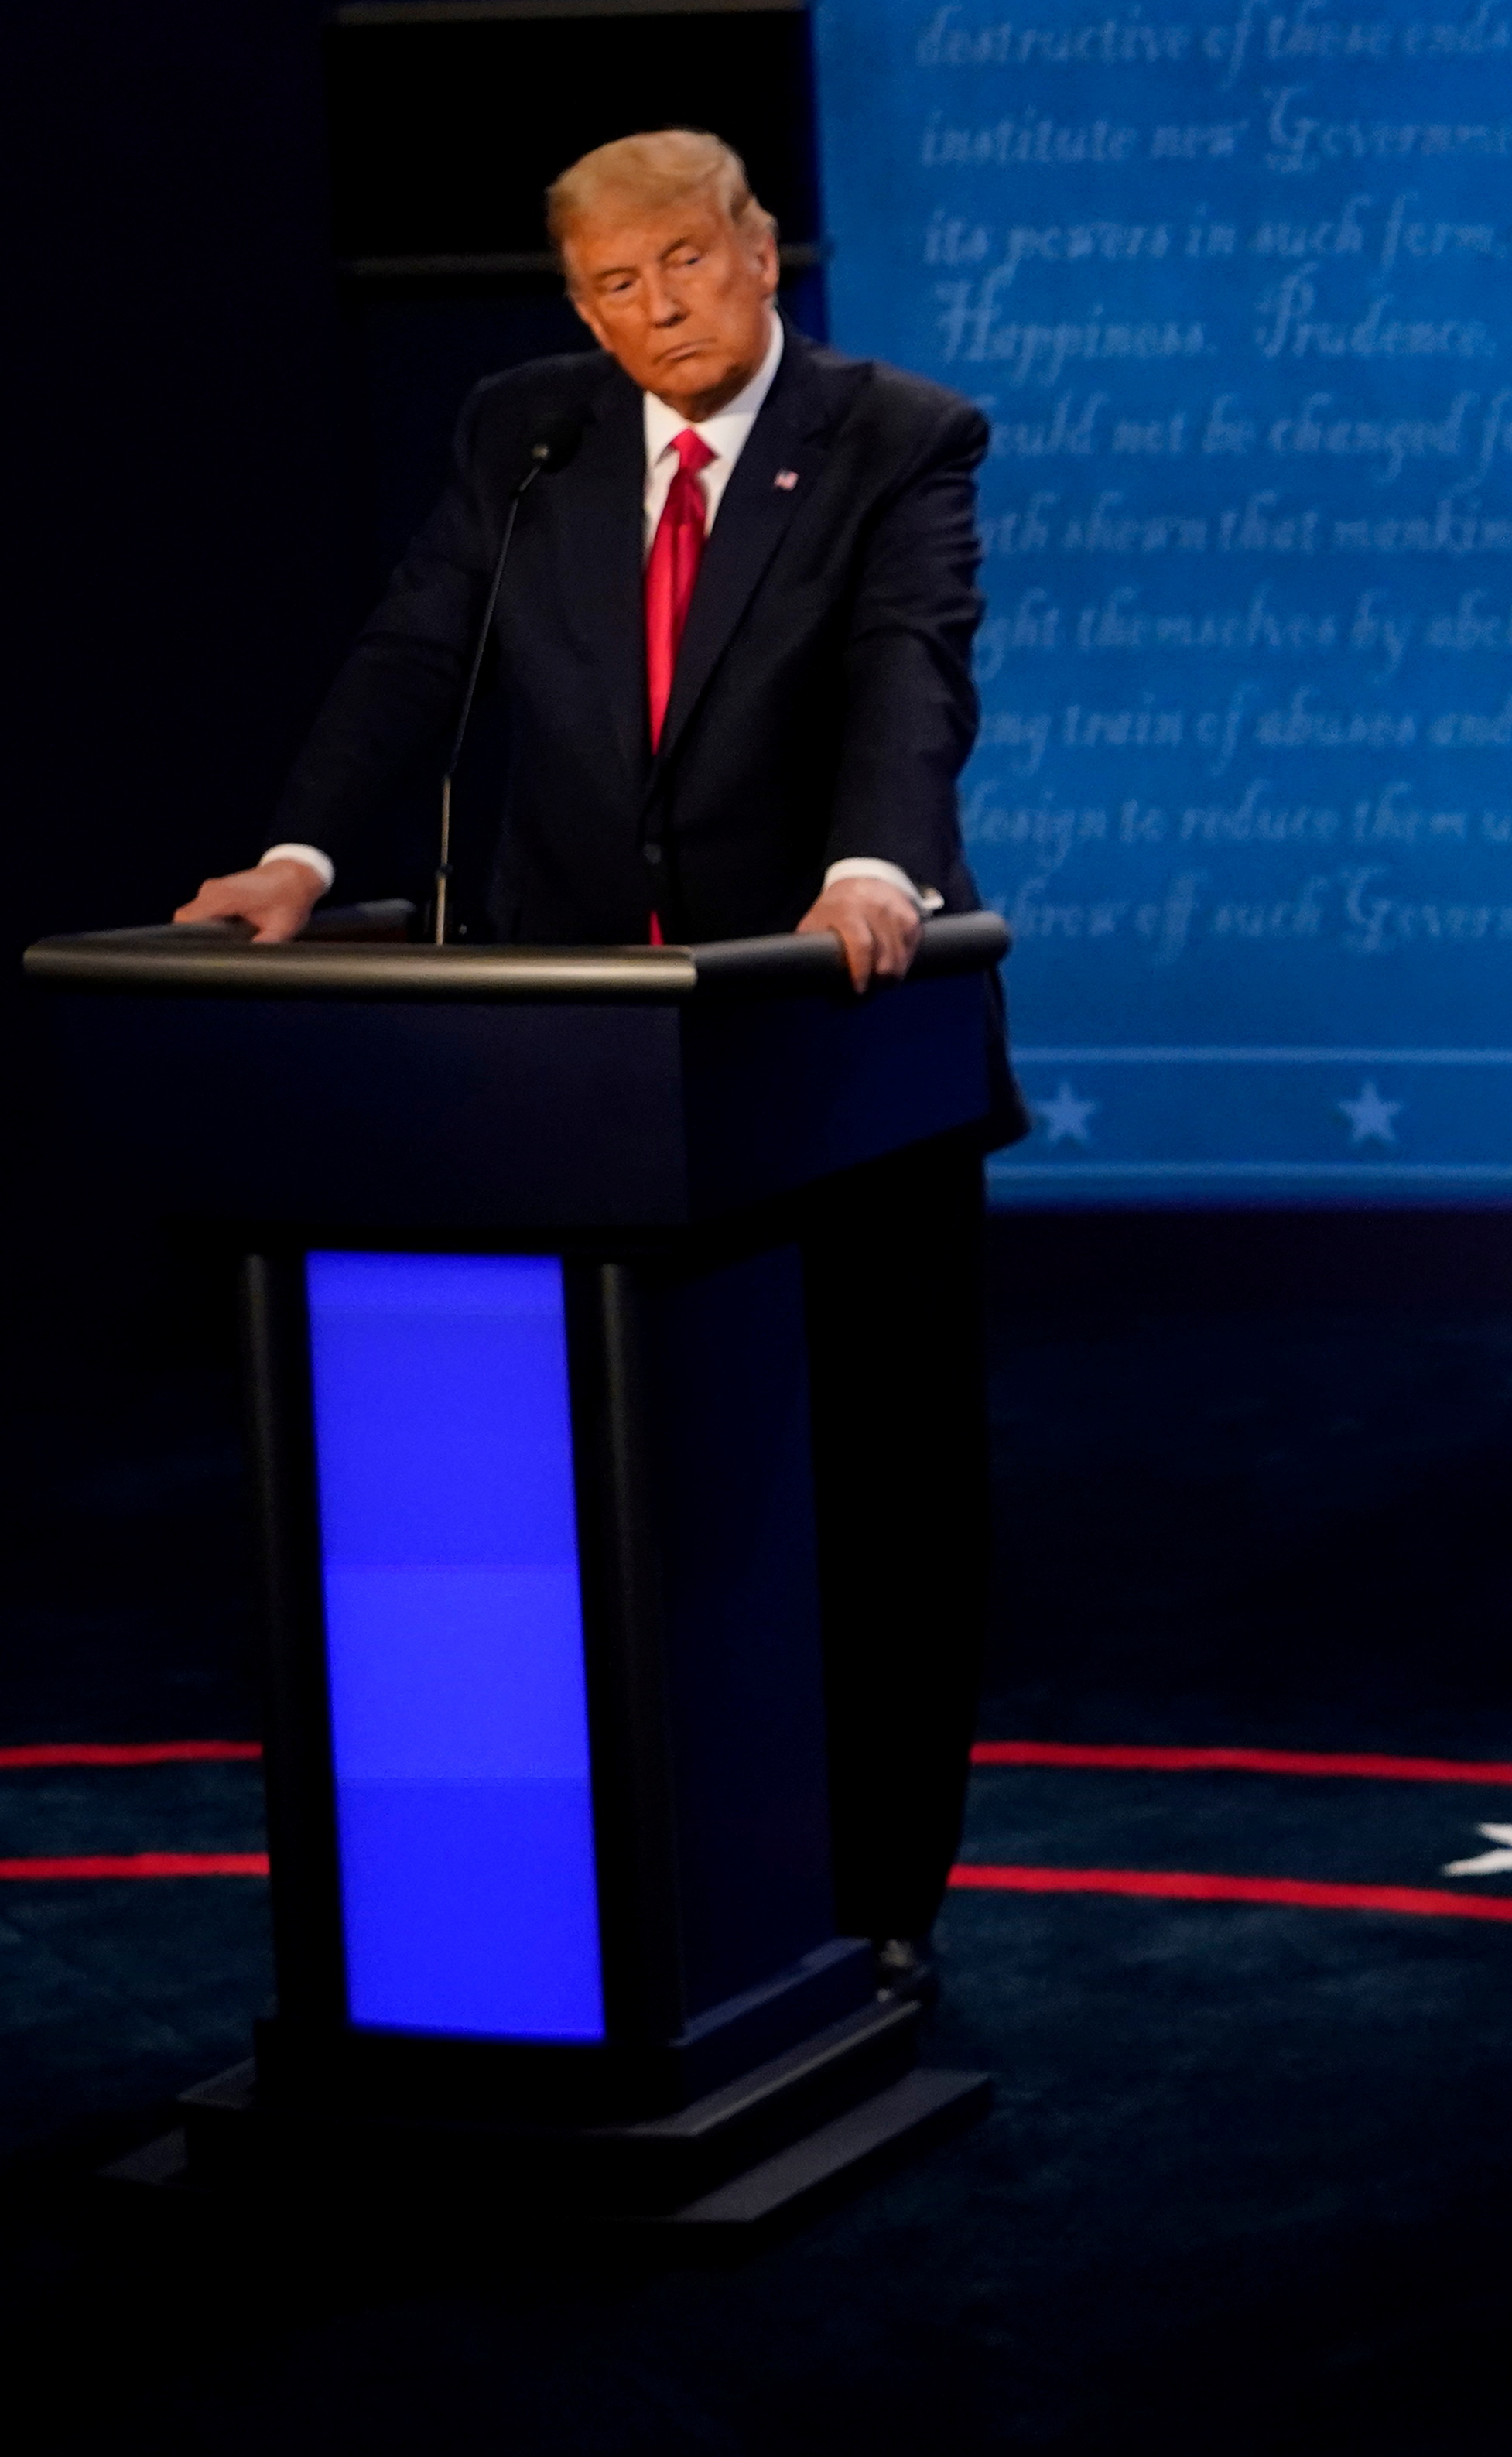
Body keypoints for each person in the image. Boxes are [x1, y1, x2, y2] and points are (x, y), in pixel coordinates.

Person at [176, 129, 1007, 2000]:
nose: (656, 315)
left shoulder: (899, 434)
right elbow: (412, 648)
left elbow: (909, 663)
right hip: (563, 1070)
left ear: (761, 248)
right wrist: (302, 855)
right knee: (597, 1495)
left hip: (828, 1040)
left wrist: (874, 862)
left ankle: (882, 1894)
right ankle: (608, 1901)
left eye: (684, 269)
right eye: (612, 287)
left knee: (872, 1491)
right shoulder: (525, 433)